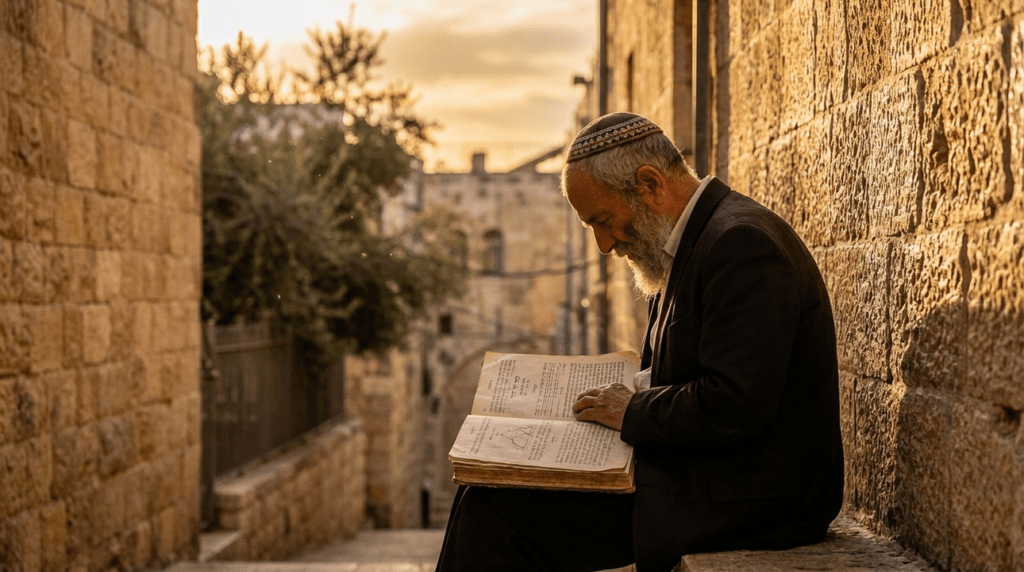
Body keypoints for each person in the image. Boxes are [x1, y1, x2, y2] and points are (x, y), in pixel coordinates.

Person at [435, 113, 844, 572]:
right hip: (709, 472)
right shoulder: (689, 244)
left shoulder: (740, 243)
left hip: (755, 495)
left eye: (604, 220)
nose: (604, 245)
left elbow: (736, 403)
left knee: (493, 514)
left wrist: (630, 411)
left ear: (649, 184)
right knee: (483, 489)